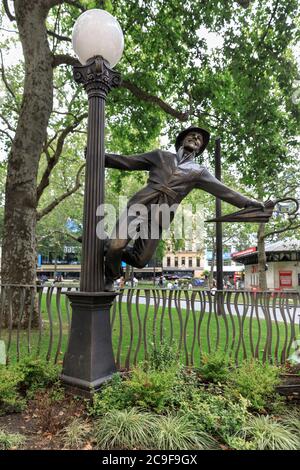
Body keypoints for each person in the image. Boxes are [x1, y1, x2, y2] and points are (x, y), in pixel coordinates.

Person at [104, 126, 264, 291]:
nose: (195, 138)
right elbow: (129, 161)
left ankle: (104, 243)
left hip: (162, 216)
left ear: (200, 148)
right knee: (117, 245)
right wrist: (103, 158)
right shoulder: (161, 156)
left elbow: (224, 191)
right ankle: (110, 277)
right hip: (140, 204)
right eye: (192, 135)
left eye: (199, 139)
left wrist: (248, 203)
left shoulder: (199, 172)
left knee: (139, 260)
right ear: (181, 140)